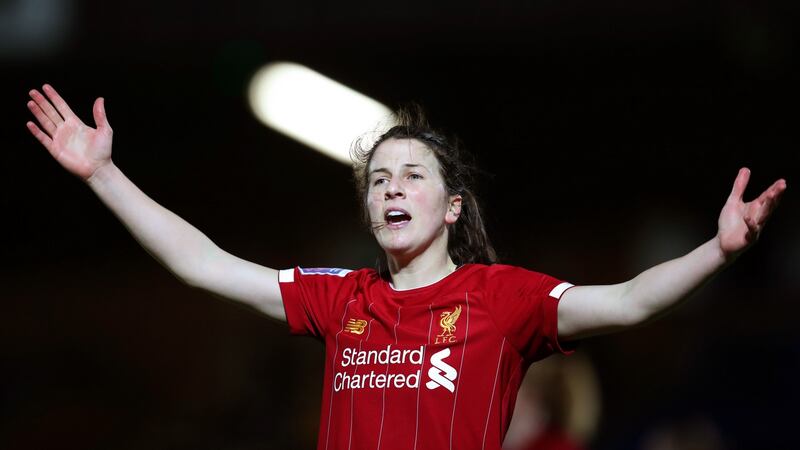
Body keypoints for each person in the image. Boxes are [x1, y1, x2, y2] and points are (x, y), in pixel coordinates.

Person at [25, 84, 786, 450]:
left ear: (452, 207)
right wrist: (104, 177)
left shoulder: (502, 298)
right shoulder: (339, 298)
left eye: (412, 175)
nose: (392, 187)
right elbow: (204, 265)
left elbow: (628, 302)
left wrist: (718, 251)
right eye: (379, 179)